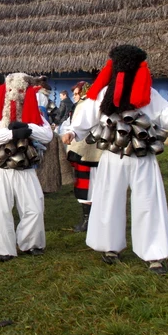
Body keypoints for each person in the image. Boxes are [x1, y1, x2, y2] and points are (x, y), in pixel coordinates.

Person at [62, 45, 168, 274]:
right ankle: (110, 247)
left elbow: (164, 114)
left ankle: (154, 254)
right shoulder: (103, 94)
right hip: (113, 154)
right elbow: (86, 117)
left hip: (143, 155)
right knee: (109, 199)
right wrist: (73, 131)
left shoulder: (148, 92)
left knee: (149, 201)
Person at [0, 73, 54, 261]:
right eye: (12, 90)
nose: (16, 94)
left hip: (26, 168)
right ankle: (3, 249)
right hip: (3, 168)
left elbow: (47, 135)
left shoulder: (34, 114)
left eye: (21, 90)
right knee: (0, 210)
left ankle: (31, 243)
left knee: (34, 207)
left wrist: (28, 128)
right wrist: (12, 133)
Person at [62, 81, 103, 232]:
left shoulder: (86, 104)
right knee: (94, 187)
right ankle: (94, 221)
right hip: (94, 153)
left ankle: (89, 222)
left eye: (77, 93)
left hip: (86, 153)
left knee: (87, 189)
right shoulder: (89, 103)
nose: (75, 96)